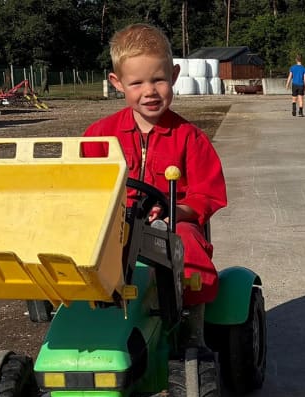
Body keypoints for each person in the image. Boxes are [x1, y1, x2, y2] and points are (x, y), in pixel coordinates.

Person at [83, 23, 227, 342]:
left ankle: (191, 329)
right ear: (117, 83)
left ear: (174, 76)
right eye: (137, 83)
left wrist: (176, 210)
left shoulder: (190, 138)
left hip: (171, 225)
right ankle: (84, 319)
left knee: (186, 244)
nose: (149, 91)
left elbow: (207, 195)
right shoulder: (99, 136)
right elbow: (81, 186)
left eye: (158, 80)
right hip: (114, 226)